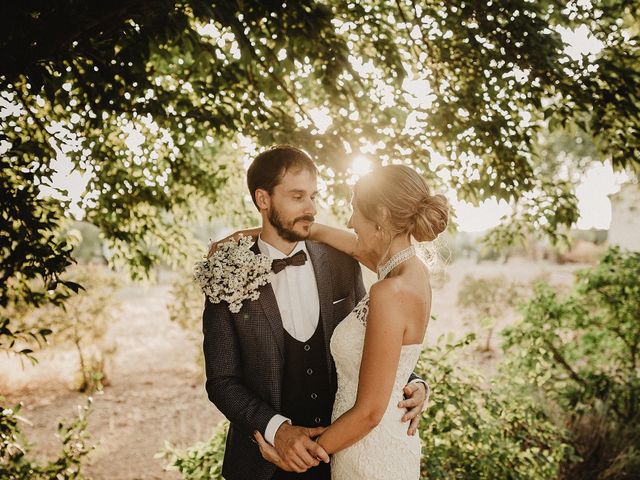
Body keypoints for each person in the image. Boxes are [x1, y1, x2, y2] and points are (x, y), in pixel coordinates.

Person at [202, 145, 428, 480]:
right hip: (262, 462)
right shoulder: (227, 270)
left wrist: (412, 383)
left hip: (339, 456)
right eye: (297, 196)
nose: (311, 208)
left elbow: (372, 337)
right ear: (263, 200)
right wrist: (277, 430)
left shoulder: (342, 262)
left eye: (313, 196)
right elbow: (221, 381)